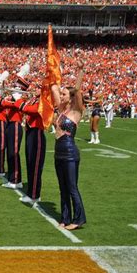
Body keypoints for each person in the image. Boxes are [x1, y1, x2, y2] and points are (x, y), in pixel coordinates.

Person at [51, 60, 87, 231]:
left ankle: (78, 219)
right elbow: (53, 90)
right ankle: (65, 218)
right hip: (58, 151)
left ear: (71, 98)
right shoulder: (62, 111)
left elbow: (78, 91)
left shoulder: (76, 111)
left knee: (72, 187)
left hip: (70, 151)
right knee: (62, 187)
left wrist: (80, 71)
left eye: (65, 94)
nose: (62, 95)